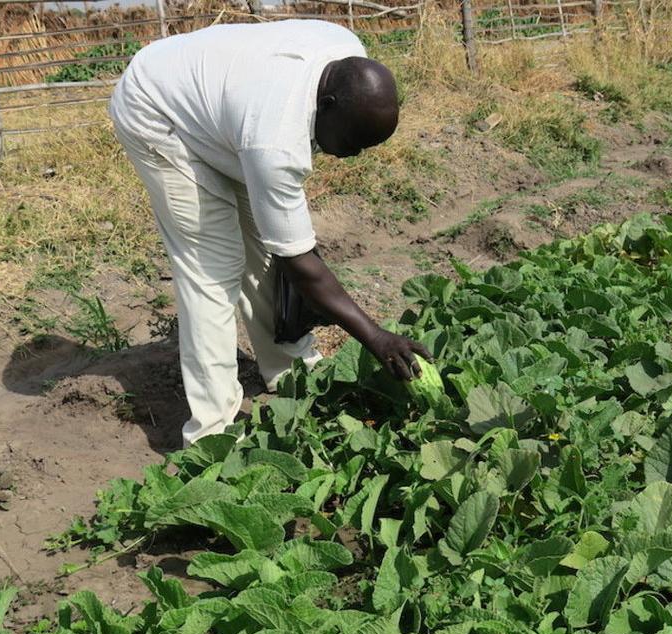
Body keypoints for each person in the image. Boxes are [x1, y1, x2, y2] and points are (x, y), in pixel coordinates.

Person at [108, 19, 431, 447]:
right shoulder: (275, 140)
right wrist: (376, 337)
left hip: (226, 110)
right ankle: (213, 433)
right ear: (327, 104)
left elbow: (286, 247)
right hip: (158, 109)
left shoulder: (347, 52)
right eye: (351, 142)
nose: (352, 155)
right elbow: (301, 266)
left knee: (263, 245)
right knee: (212, 268)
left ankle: (288, 368)